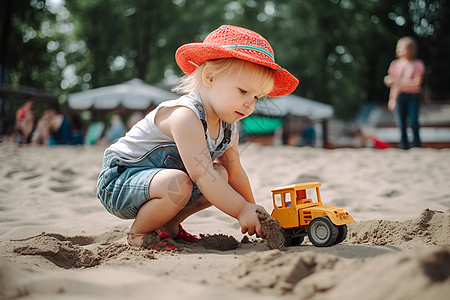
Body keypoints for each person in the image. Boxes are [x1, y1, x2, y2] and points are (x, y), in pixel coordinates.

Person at [97, 25, 299, 250]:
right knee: (187, 180)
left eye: (256, 97)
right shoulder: (185, 116)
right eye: (243, 92)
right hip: (120, 182)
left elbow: (235, 172)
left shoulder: (229, 127)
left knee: (220, 173)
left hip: (161, 184)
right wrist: (241, 210)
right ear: (210, 77)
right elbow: (201, 175)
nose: (249, 103)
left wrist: (254, 211)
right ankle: (140, 233)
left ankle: (169, 226)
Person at [384, 36, 425, 149]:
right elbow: (394, 86)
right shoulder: (395, 64)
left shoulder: (417, 64)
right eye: (398, 47)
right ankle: (404, 146)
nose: (399, 50)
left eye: (403, 48)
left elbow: (416, 83)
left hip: (413, 96)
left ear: (411, 49)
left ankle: (417, 145)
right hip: (400, 96)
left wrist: (397, 81)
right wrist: (392, 99)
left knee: (413, 121)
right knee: (401, 123)